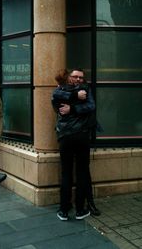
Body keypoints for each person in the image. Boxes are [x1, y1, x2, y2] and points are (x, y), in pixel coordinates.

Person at [53, 69, 101, 216]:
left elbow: (91, 106)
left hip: (74, 136)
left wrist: (72, 108)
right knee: (77, 173)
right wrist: (76, 97)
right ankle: (76, 209)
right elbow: (57, 96)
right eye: (75, 76)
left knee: (71, 173)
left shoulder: (81, 90)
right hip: (74, 136)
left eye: (81, 77)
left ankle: (65, 209)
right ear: (69, 78)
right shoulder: (64, 91)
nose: (79, 79)